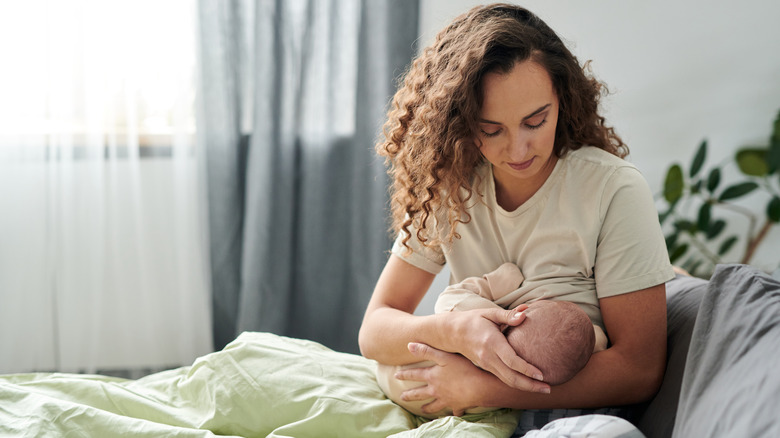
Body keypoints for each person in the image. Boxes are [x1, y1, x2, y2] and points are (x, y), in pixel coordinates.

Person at [358, 2, 675, 431]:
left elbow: (639, 370)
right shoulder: (452, 185)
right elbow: (375, 328)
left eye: (535, 121)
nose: (518, 150)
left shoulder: (612, 189)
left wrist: (484, 388)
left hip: (568, 409)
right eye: (492, 130)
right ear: (462, 123)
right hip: (460, 396)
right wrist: (455, 333)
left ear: (562, 99)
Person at [376, 262, 600, 419]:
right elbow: (591, 343)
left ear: (520, 310)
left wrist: (501, 280)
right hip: (440, 405)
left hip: (395, 372)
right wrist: (595, 339)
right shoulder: (507, 393)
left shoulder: (479, 316)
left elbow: (448, 299)